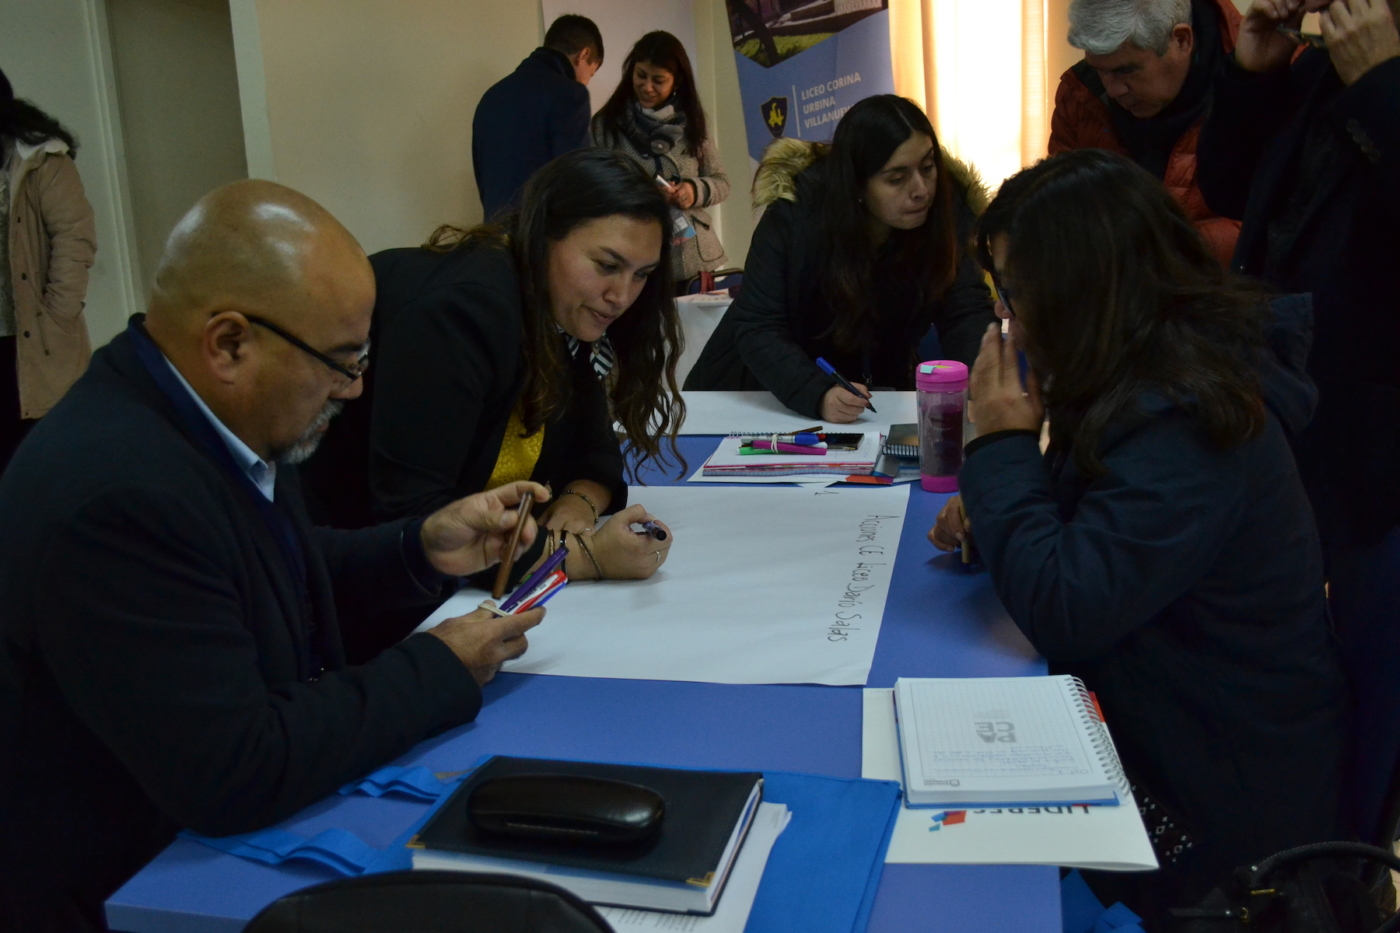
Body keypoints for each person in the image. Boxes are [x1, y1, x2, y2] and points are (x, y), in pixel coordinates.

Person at [0, 179, 549, 931]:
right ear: (230, 343)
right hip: (128, 892)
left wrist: (419, 547)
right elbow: (237, 767)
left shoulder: (199, 414)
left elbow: (265, 569)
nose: (354, 389)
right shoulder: (118, 495)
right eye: (341, 360)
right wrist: (440, 665)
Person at [929, 150, 1348, 925]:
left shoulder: (1191, 421)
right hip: (1172, 731)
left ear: (1085, 293)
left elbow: (1067, 606)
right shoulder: (1148, 371)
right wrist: (1005, 508)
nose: (1006, 320)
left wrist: (1000, 448)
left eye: (1014, 293)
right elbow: (1098, 530)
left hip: (1218, 821)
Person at [301, 148, 678, 656]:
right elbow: (420, 520)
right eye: (607, 265)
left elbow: (596, 455)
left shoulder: (556, 312)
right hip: (340, 604)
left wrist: (578, 501)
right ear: (544, 236)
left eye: (642, 274)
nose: (622, 295)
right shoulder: (462, 315)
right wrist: (582, 557)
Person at [1196, 0, 1400, 641]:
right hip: (1286, 407)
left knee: (1372, 657)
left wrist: (1383, 83)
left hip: (1375, 456)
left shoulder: (1373, 73)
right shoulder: (1320, 68)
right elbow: (1230, 189)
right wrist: (1252, 73)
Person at [685, 95, 997, 423]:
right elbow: (757, 325)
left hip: (867, 403)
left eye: (928, 167)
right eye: (896, 178)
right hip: (756, 395)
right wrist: (816, 392)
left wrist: (985, 384)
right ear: (857, 185)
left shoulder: (948, 208)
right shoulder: (797, 214)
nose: (921, 189)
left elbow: (964, 310)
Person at [1049, 0, 1243, 266]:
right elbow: (1064, 217)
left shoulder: (1270, 80)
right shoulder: (1080, 95)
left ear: (1181, 40)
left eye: (1126, 70)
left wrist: (1163, 248)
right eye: (1099, 70)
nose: (1113, 90)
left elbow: (1280, 228)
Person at [0, 67, 96, 472]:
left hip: (33, 337)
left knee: (40, 457)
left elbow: (75, 239)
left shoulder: (42, 160)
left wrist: (58, 313)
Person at [590, 31, 729, 286]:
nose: (647, 87)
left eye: (658, 80)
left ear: (676, 82)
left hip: (692, 261)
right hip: (632, 257)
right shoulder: (606, 124)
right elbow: (594, 189)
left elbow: (721, 181)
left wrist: (693, 190)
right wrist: (644, 195)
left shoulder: (693, 122)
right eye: (641, 75)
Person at [471, 14, 604, 219]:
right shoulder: (570, 94)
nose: (586, 82)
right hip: (542, 231)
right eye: (590, 73)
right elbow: (575, 181)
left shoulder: (491, 97)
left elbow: (483, 180)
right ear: (583, 55)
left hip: (494, 231)